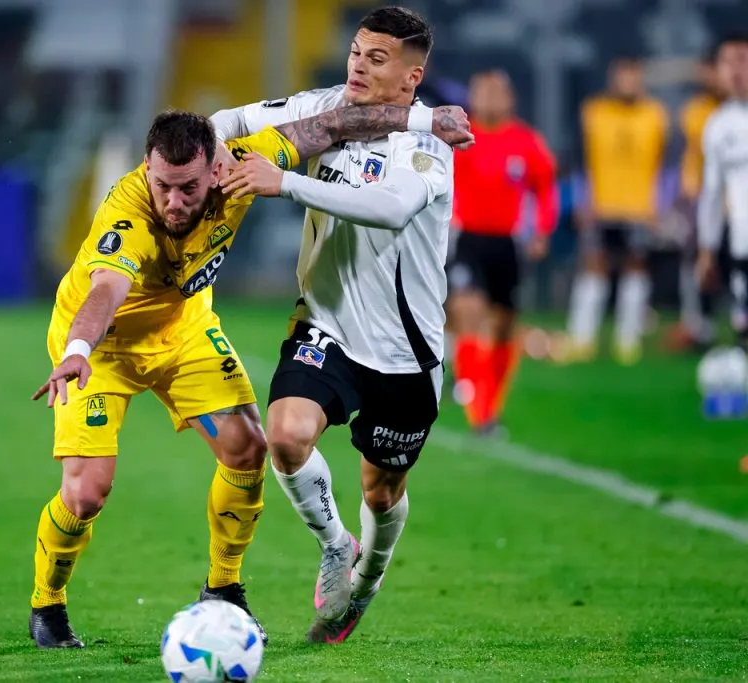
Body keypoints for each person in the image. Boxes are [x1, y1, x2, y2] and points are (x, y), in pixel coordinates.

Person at [27, 103, 473, 649]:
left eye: (187, 187)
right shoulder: (129, 218)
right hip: (100, 348)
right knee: (87, 495)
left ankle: (223, 589)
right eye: (162, 184)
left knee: (246, 447)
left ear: (217, 166)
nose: (173, 201)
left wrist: (426, 124)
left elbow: (331, 125)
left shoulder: (247, 162)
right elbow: (104, 292)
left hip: (184, 331)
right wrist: (76, 348)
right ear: (147, 169)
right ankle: (47, 603)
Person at [211, 6, 470, 643]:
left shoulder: (428, 142)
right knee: (288, 435)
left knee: (382, 491)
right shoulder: (324, 108)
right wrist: (210, 148)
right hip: (325, 327)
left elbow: (391, 208)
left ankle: (368, 578)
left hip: (405, 352)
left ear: (413, 76)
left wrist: (286, 184)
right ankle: (334, 543)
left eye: (376, 59)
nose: (357, 65)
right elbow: (230, 121)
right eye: (356, 51)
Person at [447, 69, 558, 435]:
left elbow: (545, 189)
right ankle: (477, 410)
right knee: (469, 312)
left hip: (506, 244)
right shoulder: (459, 138)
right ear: (473, 97)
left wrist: (542, 231)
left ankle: (491, 404)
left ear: (510, 99)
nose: (491, 99)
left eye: (498, 92)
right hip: (468, 240)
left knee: (504, 328)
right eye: (484, 92)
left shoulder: (526, 142)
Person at [564, 57, 668, 364]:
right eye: (622, 77)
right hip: (601, 206)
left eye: (633, 77)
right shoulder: (594, 112)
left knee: (635, 268)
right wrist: (583, 198)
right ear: (612, 79)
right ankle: (582, 338)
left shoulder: (655, 115)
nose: (627, 84)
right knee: (594, 267)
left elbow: (662, 162)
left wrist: (659, 203)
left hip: (639, 207)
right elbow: (581, 159)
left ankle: (628, 340)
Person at [666, 52, 727, 353]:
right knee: (697, 264)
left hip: (737, 202)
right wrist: (687, 195)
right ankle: (698, 327)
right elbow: (692, 158)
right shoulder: (694, 112)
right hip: (704, 200)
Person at [697, 32, 748, 351]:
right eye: (726, 62)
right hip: (742, 246)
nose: (735, 71)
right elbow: (712, 194)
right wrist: (707, 249)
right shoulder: (717, 125)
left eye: (742, 60)